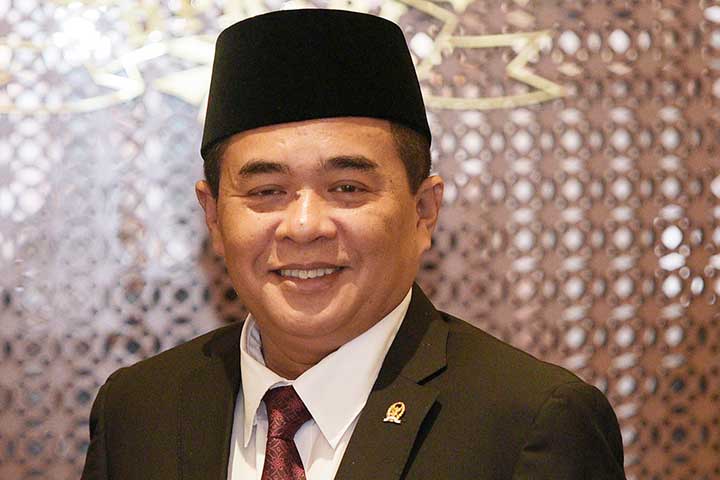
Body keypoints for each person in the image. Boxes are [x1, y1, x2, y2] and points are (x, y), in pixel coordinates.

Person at [81, 8, 625, 480]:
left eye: (347, 188)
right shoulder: (139, 410)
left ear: (423, 211)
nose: (304, 226)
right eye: (267, 191)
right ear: (214, 218)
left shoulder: (530, 423)